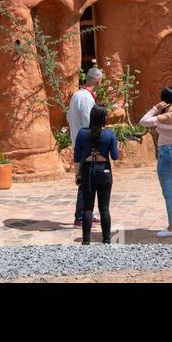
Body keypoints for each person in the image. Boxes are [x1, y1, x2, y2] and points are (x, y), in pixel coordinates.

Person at [141, 87, 172, 238]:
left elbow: (143, 121)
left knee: (168, 193)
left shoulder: (162, 117)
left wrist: (156, 108)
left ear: (163, 100)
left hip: (166, 155)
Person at [73, 105, 118, 245]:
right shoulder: (110, 134)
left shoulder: (82, 133)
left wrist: (77, 175)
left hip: (87, 171)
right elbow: (115, 156)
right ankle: (106, 239)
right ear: (104, 118)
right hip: (104, 171)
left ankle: (86, 240)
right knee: (104, 208)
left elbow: (76, 157)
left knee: (87, 207)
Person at [68, 67, 104, 229]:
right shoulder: (85, 98)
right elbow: (90, 123)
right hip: (86, 145)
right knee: (87, 181)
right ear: (97, 80)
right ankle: (80, 217)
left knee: (88, 179)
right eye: (101, 79)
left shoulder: (78, 95)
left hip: (79, 142)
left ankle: (87, 211)